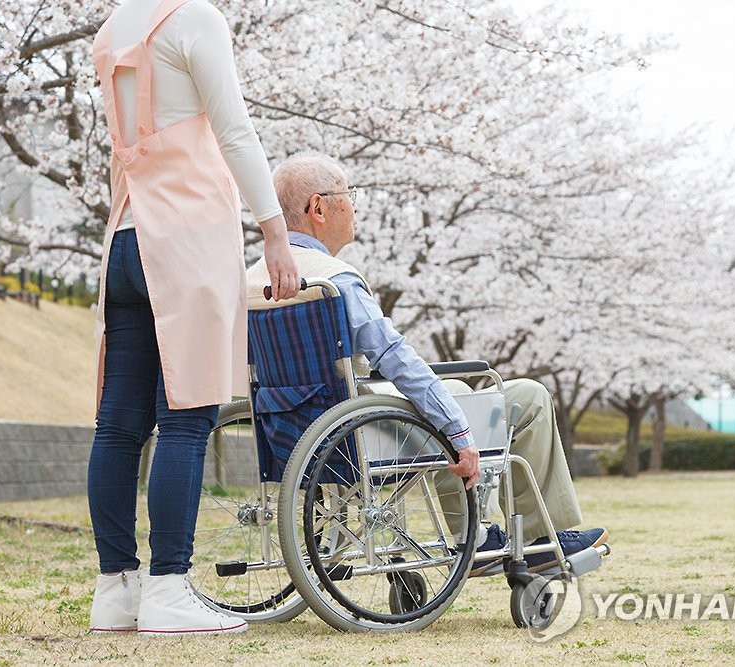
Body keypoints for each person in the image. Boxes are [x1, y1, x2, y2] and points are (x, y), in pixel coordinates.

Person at [247, 152, 607, 579]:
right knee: (521, 396)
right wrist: (457, 430)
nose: (356, 206)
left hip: (292, 430)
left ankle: (508, 534)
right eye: (350, 195)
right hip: (363, 436)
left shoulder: (254, 278)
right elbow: (394, 356)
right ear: (319, 207)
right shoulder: (333, 280)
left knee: (471, 395)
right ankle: (511, 538)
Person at [86, 0, 299, 635]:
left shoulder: (111, 29)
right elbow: (233, 130)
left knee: (118, 426)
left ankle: (115, 590)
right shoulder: (194, 18)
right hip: (185, 238)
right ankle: (169, 587)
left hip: (125, 238)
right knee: (186, 417)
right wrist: (276, 232)